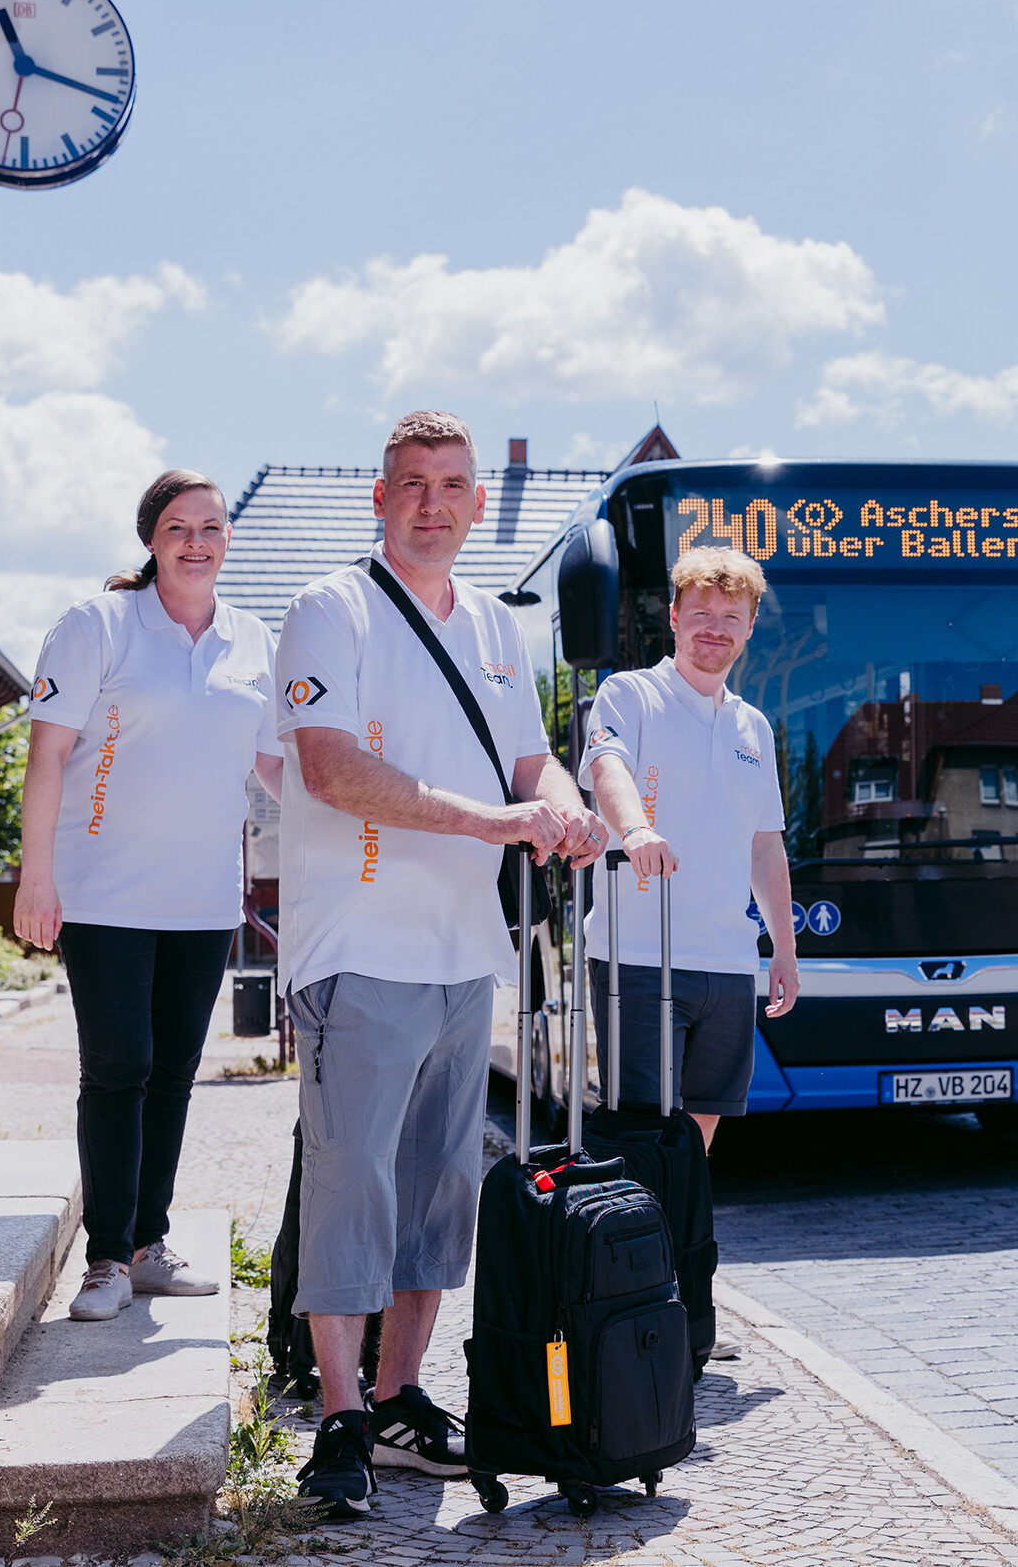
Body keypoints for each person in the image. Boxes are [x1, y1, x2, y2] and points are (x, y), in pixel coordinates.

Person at [276, 410, 606, 1520]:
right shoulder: (332, 609)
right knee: (349, 1188)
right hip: (358, 949)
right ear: (381, 501)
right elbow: (332, 770)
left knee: (435, 1200)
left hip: (468, 957)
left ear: (474, 503)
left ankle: (402, 1397)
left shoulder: (502, 632)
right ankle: (337, 1420)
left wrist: (561, 813)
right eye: (412, 483)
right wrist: (498, 823)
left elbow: (533, 758)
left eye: (454, 484)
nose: (434, 501)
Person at [14, 470, 285, 1322]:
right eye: (178, 527)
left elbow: (278, 768)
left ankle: (147, 1245)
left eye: (211, 526)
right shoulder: (98, 626)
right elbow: (49, 756)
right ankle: (103, 1261)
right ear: (152, 540)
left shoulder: (252, 642)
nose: (196, 541)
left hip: (202, 899)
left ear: (228, 541)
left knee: (172, 1074)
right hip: (101, 896)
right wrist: (37, 877)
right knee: (118, 1066)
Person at [580, 545, 799, 1156]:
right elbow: (607, 768)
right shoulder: (629, 695)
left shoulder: (754, 727)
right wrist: (637, 830)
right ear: (673, 616)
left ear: (750, 628)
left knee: (701, 1126)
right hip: (641, 953)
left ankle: (671, 1247)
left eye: (732, 617)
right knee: (642, 1129)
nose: (715, 628)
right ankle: (633, 1249)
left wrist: (783, 949)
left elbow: (764, 844)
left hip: (730, 961)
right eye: (701, 612)